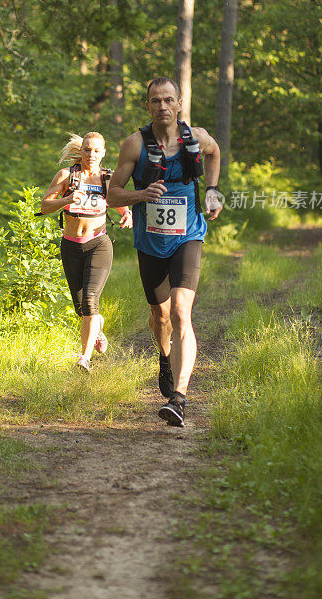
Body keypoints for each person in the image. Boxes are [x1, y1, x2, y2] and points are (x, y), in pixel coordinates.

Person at [107, 77, 223, 426]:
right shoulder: (134, 145)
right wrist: (142, 195)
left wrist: (213, 191)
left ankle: (179, 397)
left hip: (188, 234)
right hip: (150, 240)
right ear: (148, 106)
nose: (162, 106)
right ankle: (164, 354)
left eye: (168, 100)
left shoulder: (196, 137)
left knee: (181, 313)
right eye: (155, 101)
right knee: (160, 316)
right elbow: (112, 195)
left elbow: (215, 152)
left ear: (178, 104)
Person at [41, 132, 133, 371]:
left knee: (91, 300)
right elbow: (44, 205)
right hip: (71, 245)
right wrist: (67, 199)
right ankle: (97, 326)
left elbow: (118, 201)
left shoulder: (108, 179)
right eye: (87, 150)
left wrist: (127, 214)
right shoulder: (66, 176)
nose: (91, 155)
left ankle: (84, 358)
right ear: (80, 151)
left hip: (98, 243)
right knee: (82, 308)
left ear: (103, 153)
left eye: (96, 151)